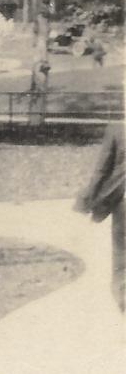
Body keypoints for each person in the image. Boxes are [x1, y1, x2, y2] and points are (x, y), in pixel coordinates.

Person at [75, 120, 125, 312]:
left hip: (124, 203)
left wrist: (87, 200)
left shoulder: (117, 129)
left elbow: (102, 170)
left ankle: (123, 300)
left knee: (121, 255)